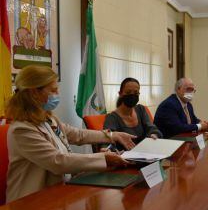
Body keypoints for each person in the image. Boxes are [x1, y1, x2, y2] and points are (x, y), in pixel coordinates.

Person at [5, 65, 136, 202]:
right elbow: (58, 161)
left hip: (57, 193)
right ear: (34, 93)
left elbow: (77, 135)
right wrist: (104, 158)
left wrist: (112, 136)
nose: (57, 95)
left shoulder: (49, 119)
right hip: (28, 204)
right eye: (53, 90)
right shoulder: (21, 130)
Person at [104, 78, 162, 150]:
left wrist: (154, 134)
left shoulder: (141, 109)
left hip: (146, 154)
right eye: (128, 92)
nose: (132, 95)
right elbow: (106, 141)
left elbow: (151, 128)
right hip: (124, 158)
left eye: (136, 93)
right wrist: (113, 151)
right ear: (120, 94)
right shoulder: (112, 118)